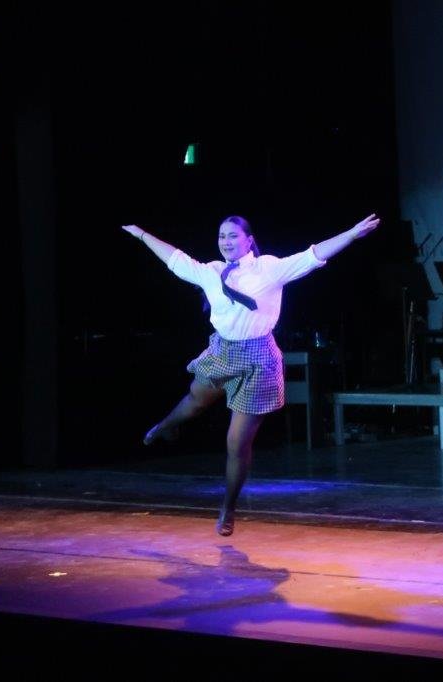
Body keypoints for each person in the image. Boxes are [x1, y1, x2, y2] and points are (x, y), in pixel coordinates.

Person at [121, 213, 380, 536]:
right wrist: (143, 234)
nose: (226, 242)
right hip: (222, 351)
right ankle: (165, 427)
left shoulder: (269, 269)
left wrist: (352, 233)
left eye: (232, 236)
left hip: (259, 359)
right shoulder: (211, 272)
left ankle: (228, 508)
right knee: (196, 400)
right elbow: (175, 259)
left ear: (248, 239)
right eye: (221, 236)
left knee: (236, 443)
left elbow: (314, 254)